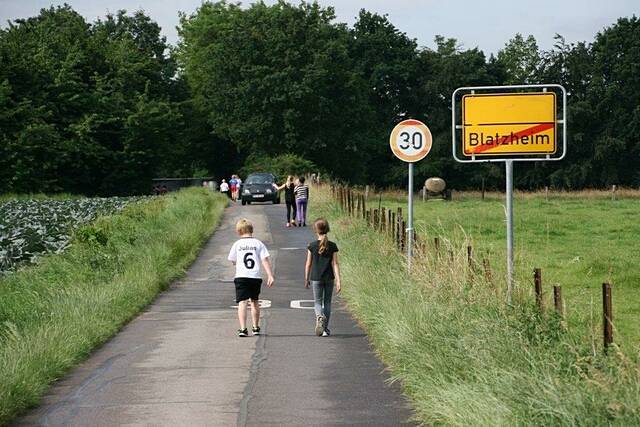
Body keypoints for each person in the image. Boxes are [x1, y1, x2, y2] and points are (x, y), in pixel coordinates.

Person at [228, 218, 275, 337]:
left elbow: (232, 260)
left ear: (239, 231)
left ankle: (243, 328)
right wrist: (270, 274)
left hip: (241, 276)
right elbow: (264, 259)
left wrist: (237, 262)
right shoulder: (258, 243)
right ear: (251, 230)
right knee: (255, 301)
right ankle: (255, 327)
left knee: (242, 303)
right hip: (255, 277)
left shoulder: (237, 244)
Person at [304, 218, 341, 336]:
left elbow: (308, 264)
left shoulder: (312, 246)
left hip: (316, 278)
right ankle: (325, 329)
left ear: (315, 230)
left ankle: (319, 317)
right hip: (329, 277)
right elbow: (335, 264)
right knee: (327, 303)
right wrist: (339, 281)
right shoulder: (333, 246)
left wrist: (306, 279)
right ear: (328, 229)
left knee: (318, 302)